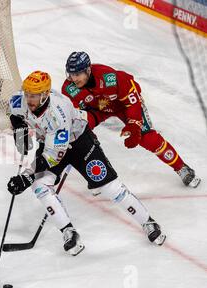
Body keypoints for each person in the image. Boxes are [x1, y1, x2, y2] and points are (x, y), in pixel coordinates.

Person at [7, 71, 166, 256]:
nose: (29, 99)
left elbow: (52, 157)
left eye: (33, 95)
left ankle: (148, 221)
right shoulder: (20, 100)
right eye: (27, 94)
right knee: (40, 186)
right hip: (51, 143)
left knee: (110, 188)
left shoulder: (59, 112)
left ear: (45, 95)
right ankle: (68, 231)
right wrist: (19, 129)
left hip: (79, 144)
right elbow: (14, 113)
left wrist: (26, 176)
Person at [61, 51, 200, 188]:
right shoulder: (69, 89)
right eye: (71, 74)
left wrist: (134, 126)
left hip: (124, 105)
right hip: (98, 108)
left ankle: (181, 167)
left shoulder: (111, 78)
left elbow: (132, 101)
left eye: (77, 74)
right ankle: (94, 178)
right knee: (78, 134)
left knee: (147, 138)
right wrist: (83, 131)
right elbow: (76, 114)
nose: (74, 79)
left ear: (88, 70)